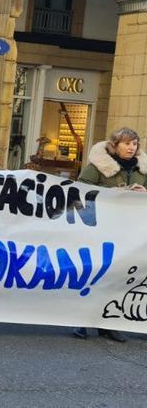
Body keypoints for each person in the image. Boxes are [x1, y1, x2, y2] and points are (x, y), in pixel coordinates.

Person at [71, 127, 146, 343]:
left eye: (134, 144)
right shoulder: (99, 166)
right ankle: (82, 320)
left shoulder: (142, 169)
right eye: (127, 143)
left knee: (119, 275)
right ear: (115, 145)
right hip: (101, 228)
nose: (131, 148)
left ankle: (108, 323)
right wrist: (112, 195)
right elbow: (80, 189)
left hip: (131, 231)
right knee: (95, 272)